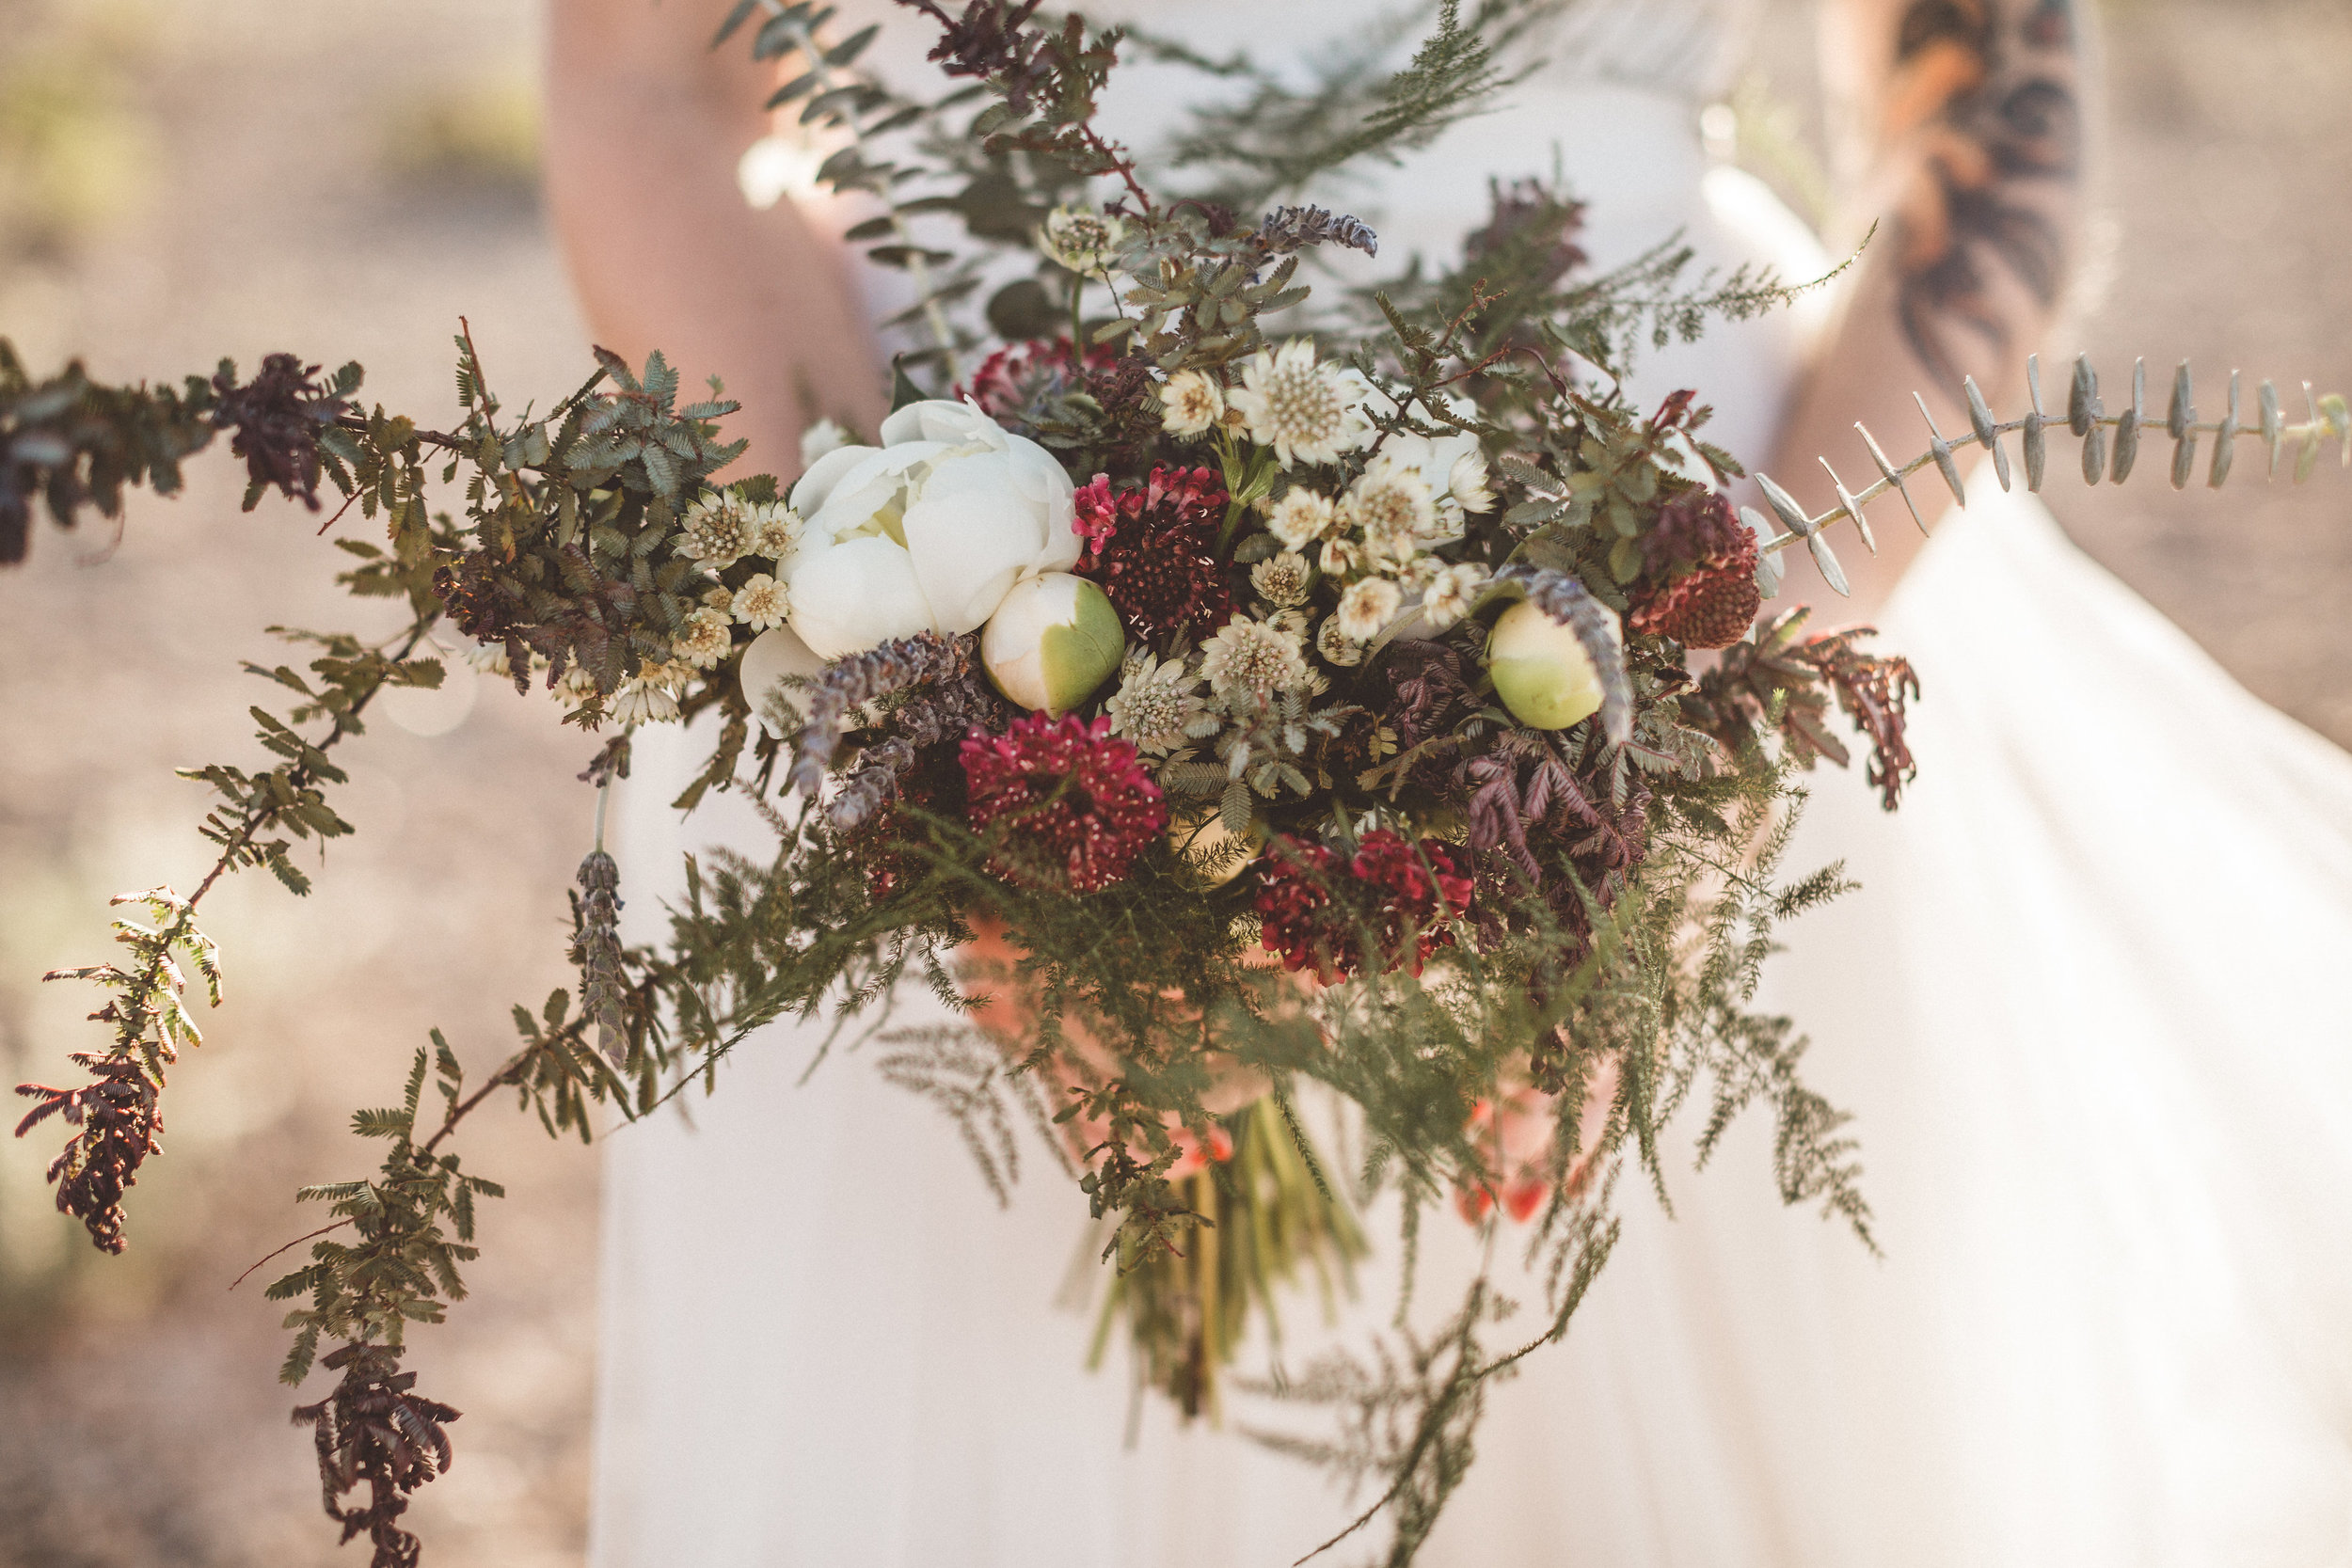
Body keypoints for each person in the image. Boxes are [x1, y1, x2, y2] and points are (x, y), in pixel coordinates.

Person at [548, 1, 2352, 1563]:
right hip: (967, 552)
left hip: (1679, 560)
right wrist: (932, 734)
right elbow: (644, 77)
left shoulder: (1716, 667)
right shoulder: (936, 703)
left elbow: (1986, 102)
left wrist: (1729, 690)